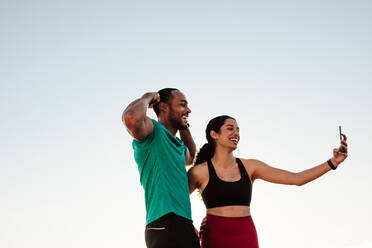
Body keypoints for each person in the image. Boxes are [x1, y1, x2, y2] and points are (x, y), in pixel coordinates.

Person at [188, 115, 348, 248]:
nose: (236, 133)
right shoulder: (199, 172)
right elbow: (175, 203)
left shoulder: (251, 166)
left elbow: (297, 178)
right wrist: (191, 229)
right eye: (230, 128)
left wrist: (333, 162)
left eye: (238, 130)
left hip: (246, 234)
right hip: (215, 236)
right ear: (214, 134)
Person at [122, 88, 200, 248]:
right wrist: (148, 97)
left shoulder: (177, 144)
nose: (188, 110)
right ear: (164, 107)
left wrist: (184, 124)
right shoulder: (154, 131)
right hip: (164, 222)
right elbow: (131, 118)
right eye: (183, 105)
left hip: (184, 222)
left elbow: (192, 156)